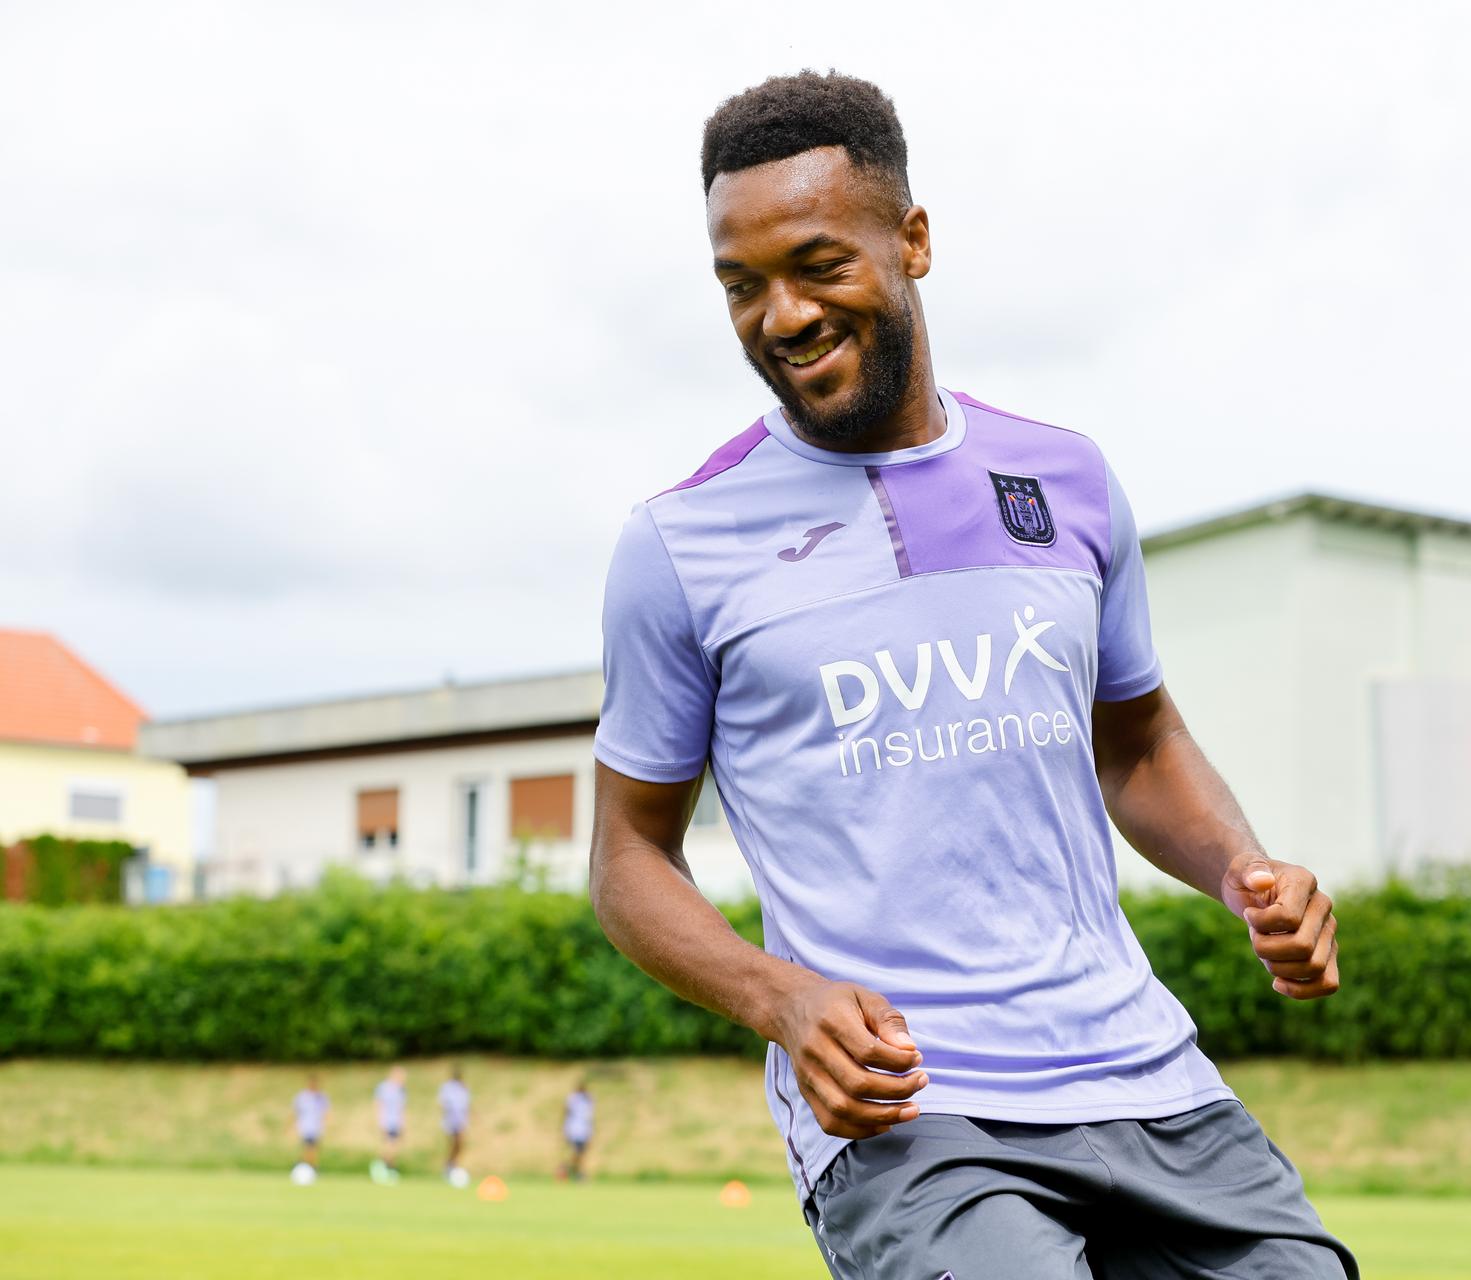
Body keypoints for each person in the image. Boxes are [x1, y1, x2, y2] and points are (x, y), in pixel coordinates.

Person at [589, 71, 1356, 1279]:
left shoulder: (1068, 482)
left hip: (1146, 1074)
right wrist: (781, 999)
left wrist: (1246, 873)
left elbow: (1139, 744)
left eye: (817, 264)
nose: (782, 315)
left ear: (913, 240)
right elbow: (627, 857)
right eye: (743, 287)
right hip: (910, 1111)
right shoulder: (680, 547)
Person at [371, 1065, 406, 1183]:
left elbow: (401, 1108)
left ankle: (388, 1169)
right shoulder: (383, 1087)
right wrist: (380, 1121)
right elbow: (378, 1104)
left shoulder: (401, 1090)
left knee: (394, 1148)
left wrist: (403, 1124)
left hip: (396, 1122)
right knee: (388, 1147)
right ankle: (381, 1169)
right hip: (386, 1121)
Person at [438, 1065, 471, 1182]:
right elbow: (443, 1104)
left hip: (461, 1121)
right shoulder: (447, 1087)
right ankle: (449, 1167)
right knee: (452, 1143)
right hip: (450, 1120)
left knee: (460, 1144)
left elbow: (466, 1105)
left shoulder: (464, 1087)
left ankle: (453, 1166)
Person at [292, 1073, 328, 1175]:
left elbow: (325, 1112)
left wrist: (325, 1125)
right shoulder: (302, 1096)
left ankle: (312, 1169)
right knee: (307, 1150)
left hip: (316, 1128)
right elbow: (296, 1112)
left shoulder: (321, 1097)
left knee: (314, 1151)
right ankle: (304, 1168)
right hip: (305, 1127)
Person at [560, 1080, 594, 1182]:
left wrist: (590, 1132)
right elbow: (567, 1113)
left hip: (584, 1131)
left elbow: (589, 1117)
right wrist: (565, 1129)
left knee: (581, 1154)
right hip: (574, 1130)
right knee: (578, 1153)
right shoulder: (573, 1098)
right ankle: (577, 1174)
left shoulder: (589, 1099)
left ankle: (570, 1170)